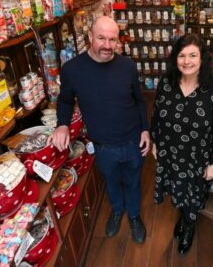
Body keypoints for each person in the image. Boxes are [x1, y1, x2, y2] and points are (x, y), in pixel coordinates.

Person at [49, 16, 150, 244]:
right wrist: (62, 124)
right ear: (90, 37)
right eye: (102, 38)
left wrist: (145, 130)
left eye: (112, 39)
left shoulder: (128, 66)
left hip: (133, 140)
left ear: (118, 41)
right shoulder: (72, 69)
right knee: (111, 181)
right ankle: (117, 210)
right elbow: (65, 101)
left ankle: (134, 216)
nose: (107, 45)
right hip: (103, 145)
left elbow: (140, 101)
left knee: (133, 181)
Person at [150, 33, 213, 255]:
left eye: (193, 55)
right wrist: (155, 141)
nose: (187, 61)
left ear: (202, 59)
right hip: (171, 154)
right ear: (175, 58)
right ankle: (184, 217)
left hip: (198, 158)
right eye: (182, 55)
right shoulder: (166, 84)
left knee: (193, 197)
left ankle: (188, 226)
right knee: (177, 191)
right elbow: (156, 114)